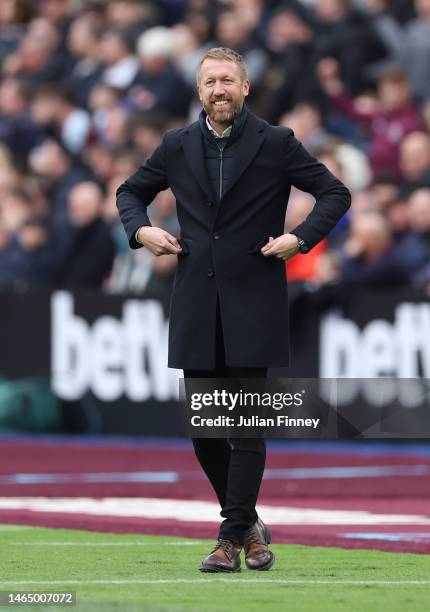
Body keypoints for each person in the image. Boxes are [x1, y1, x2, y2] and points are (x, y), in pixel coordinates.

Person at [116, 46, 350, 573]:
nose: (219, 90)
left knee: (244, 425)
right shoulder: (175, 144)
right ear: (199, 91)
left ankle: (228, 539)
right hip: (196, 301)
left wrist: (301, 239)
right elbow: (130, 192)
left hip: (255, 300)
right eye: (209, 83)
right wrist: (141, 230)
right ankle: (251, 527)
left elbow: (335, 193)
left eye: (227, 81)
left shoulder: (277, 143)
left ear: (245, 87)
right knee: (204, 429)